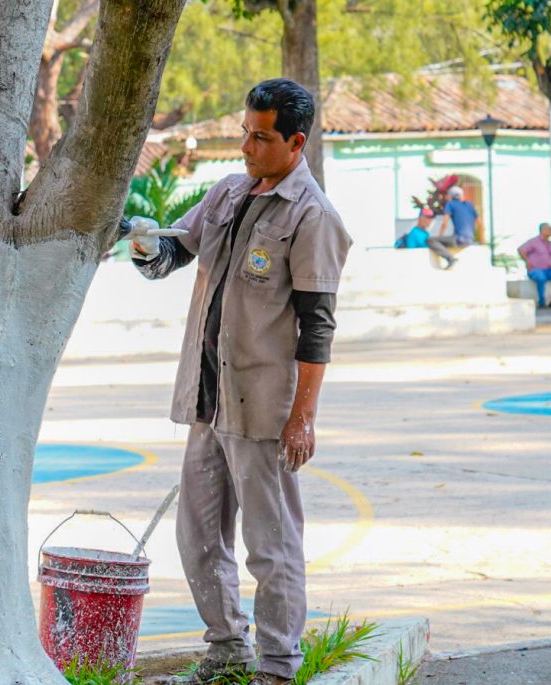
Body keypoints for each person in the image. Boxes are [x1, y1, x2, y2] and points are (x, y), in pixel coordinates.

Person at [123, 78, 352, 685]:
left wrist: (302, 417)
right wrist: (146, 244)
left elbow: (316, 329)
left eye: (261, 137)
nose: (247, 147)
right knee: (197, 536)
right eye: (244, 133)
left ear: (296, 142)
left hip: (264, 410)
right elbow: (174, 254)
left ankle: (278, 667)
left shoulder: (313, 217)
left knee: (269, 545)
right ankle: (226, 651)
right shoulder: (226, 193)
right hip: (207, 399)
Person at [518, 223, 551, 308]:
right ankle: (542, 302)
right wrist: (527, 261)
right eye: (548, 229)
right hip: (535, 270)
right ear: (543, 230)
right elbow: (521, 249)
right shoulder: (534, 242)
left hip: (549, 270)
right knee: (541, 277)